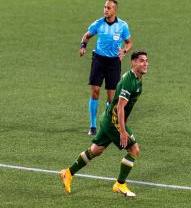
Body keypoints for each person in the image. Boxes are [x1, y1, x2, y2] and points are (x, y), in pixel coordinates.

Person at [60, 51, 149, 197]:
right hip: (112, 120)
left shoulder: (138, 80)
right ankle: (120, 184)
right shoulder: (129, 80)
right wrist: (122, 130)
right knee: (134, 150)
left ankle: (68, 173)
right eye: (141, 61)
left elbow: (126, 108)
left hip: (109, 119)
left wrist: (124, 124)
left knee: (96, 150)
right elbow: (120, 107)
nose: (145, 63)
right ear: (133, 63)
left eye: (146, 60)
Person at [80, 0, 133, 136]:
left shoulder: (122, 25)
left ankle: (106, 123)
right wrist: (83, 47)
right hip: (99, 60)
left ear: (115, 10)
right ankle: (92, 126)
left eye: (108, 8)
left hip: (114, 63)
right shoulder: (98, 23)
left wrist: (124, 51)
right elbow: (86, 36)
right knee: (95, 91)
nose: (105, 10)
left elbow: (129, 43)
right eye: (104, 7)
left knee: (111, 98)